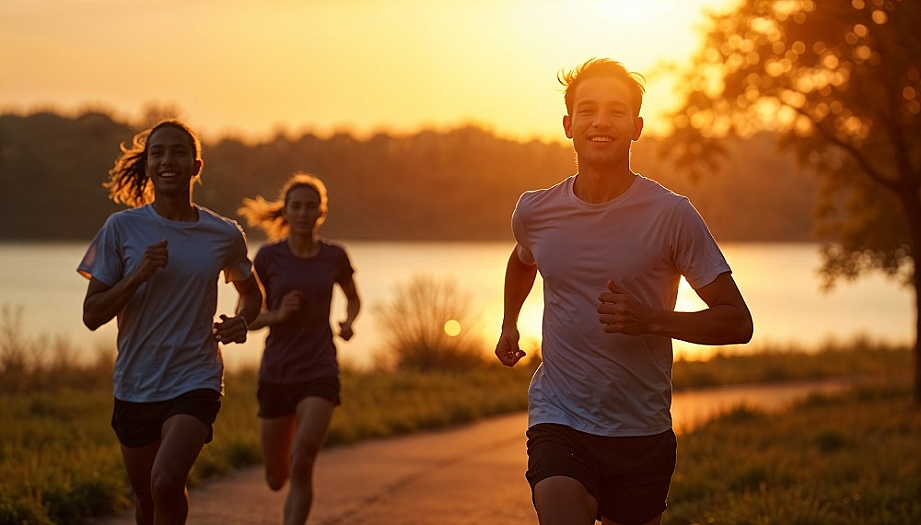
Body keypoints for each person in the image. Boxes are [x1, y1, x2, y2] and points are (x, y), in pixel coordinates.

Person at [495, 58, 754, 525]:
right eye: (588, 110)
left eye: (616, 112)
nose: (600, 122)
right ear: (568, 125)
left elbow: (737, 322)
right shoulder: (535, 211)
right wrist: (510, 322)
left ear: (636, 127)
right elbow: (522, 260)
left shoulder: (672, 215)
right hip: (559, 418)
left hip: (641, 430)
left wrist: (651, 320)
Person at [78, 120, 263, 525]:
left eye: (178, 151)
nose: (168, 159)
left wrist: (242, 323)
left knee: (165, 481)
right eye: (158, 152)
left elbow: (252, 294)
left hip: (195, 378)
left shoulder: (224, 233)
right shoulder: (120, 229)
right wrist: (137, 275)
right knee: (146, 500)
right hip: (136, 382)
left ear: (196, 166)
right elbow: (92, 316)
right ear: (147, 165)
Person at [237, 172, 361, 525]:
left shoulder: (335, 256)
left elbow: (353, 300)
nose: (304, 213)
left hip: (320, 369)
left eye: (311, 207)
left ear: (321, 213)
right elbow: (246, 318)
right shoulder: (268, 258)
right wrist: (276, 314)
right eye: (297, 207)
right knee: (277, 479)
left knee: (303, 458)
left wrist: (349, 323)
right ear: (286, 212)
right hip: (276, 372)